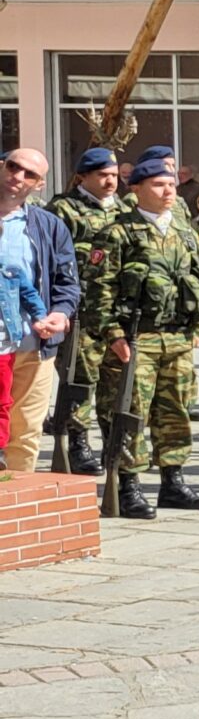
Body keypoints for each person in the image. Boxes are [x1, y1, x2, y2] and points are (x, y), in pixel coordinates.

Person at [88, 157, 199, 516]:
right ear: (136, 189)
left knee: (175, 410)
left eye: (171, 184)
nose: (168, 191)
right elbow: (99, 291)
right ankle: (128, 486)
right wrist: (113, 335)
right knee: (130, 413)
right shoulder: (117, 233)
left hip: (177, 339)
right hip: (135, 340)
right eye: (159, 185)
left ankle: (173, 482)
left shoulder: (184, 232)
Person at [1, 149, 80, 475]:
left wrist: (60, 313)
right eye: (13, 167)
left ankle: (14, 500)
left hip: (34, 345)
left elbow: (67, 283)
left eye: (29, 174)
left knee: (25, 433)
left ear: (39, 184)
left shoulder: (49, 226)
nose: (18, 177)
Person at [42, 148, 121, 472]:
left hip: (113, 312)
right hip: (80, 311)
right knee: (79, 379)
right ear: (82, 177)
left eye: (114, 175)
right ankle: (77, 443)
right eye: (102, 175)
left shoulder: (125, 209)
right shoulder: (63, 209)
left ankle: (113, 443)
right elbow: (52, 260)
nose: (110, 181)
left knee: (114, 381)